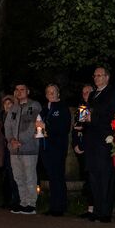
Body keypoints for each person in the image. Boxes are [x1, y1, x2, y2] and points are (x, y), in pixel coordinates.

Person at [81, 67, 115, 223]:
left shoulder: (113, 93)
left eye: (100, 75)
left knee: (105, 175)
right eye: (95, 75)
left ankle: (105, 212)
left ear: (107, 77)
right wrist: (83, 121)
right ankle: (97, 210)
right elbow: (86, 114)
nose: (96, 78)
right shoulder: (92, 94)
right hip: (91, 139)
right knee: (93, 175)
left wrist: (93, 117)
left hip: (104, 139)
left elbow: (109, 112)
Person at [5, 83, 42, 214]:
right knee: (18, 177)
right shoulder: (13, 108)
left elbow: (32, 125)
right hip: (14, 150)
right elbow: (7, 126)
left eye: (22, 89)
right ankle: (23, 202)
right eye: (17, 90)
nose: (19, 92)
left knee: (30, 176)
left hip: (29, 148)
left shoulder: (34, 105)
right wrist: (11, 140)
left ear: (28, 91)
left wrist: (20, 141)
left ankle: (31, 204)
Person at [39, 83, 72, 216]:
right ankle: (53, 206)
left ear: (58, 93)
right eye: (48, 92)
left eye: (53, 91)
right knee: (52, 177)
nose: (51, 94)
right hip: (46, 147)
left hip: (58, 147)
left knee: (58, 176)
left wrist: (46, 126)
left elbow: (63, 128)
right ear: (46, 94)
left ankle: (60, 207)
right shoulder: (44, 109)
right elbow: (38, 126)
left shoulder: (62, 108)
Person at [72, 83, 95, 218]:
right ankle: (90, 208)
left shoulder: (95, 108)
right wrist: (75, 144)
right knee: (87, 179)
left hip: (92, 148)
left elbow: (91, 129)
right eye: (83, 92)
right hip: (81, 149)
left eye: (88, 92)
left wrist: (83, 129)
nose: (85, 94)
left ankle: (95, 208)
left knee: (93, 179)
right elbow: (78, 128)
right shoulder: (82, 108)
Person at [0, 95, 20, 209]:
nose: (7, 106)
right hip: (3, 149)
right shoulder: (1, 117)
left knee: (13, 174)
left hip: (12, 147)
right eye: (5, 104)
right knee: (6, 174)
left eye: (9, 103)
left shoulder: (15, 116)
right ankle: (7, 199)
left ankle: (16, 199)